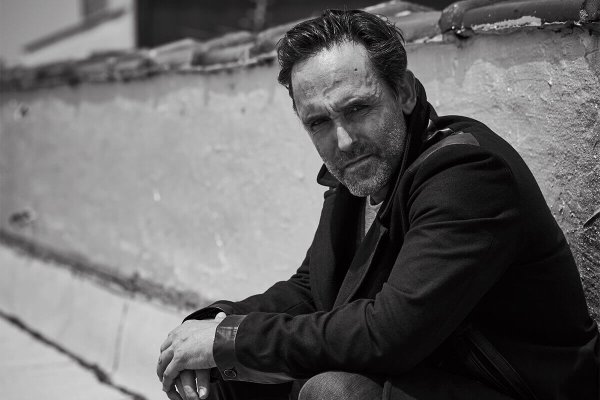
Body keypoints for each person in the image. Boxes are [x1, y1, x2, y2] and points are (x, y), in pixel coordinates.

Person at [156, 9, 599, 400]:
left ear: (404, 92)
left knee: (333, 393)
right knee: (228, 374)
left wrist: (231, 339)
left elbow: (390, 334)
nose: (344, 141)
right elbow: (312, 291)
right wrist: (219, 323)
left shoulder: (468, 174)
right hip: (430, 376)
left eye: (357, 109)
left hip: (516, 390)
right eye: (319, 123)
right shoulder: (358, 179)